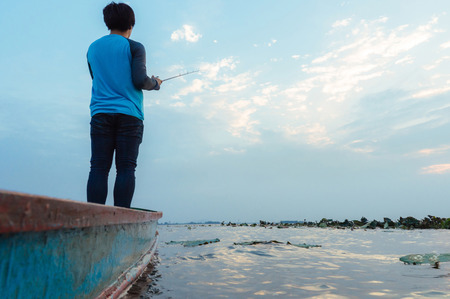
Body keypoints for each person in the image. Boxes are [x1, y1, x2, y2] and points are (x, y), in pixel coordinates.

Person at [86, 2, 162, 208]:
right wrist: (155, 83)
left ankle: (94, 218)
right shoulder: (135, 47)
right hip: (129, 115)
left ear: (108, 23)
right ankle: (120, 219)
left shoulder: (93, 48)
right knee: (126, 168)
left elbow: (97, 78)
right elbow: (140, 80)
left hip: (101, 113)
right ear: (131, 25)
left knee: (99, 168)